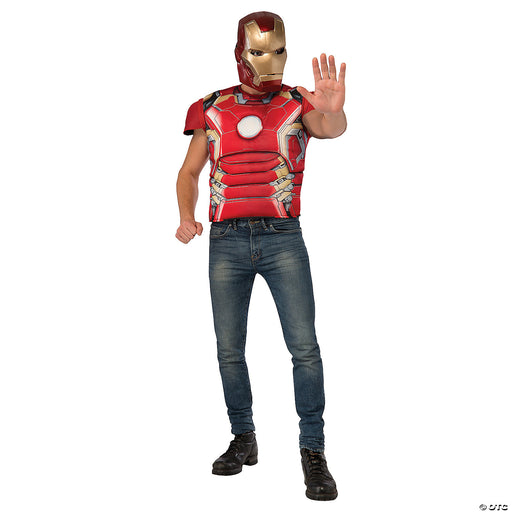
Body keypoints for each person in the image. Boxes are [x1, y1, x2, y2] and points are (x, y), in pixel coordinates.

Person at [175, 11, 347, 501]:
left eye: (278, 50)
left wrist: (333, 110)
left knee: (304, 347)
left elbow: (329, 128)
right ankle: (243, 437)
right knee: (229, 350)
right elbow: (188, 173)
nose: (270, 61)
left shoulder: (297, 102)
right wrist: (186, 215)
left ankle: (313, 450)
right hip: (226, 240)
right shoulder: (210, 108)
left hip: (282, 236)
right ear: (240, 53)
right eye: (259, 51)